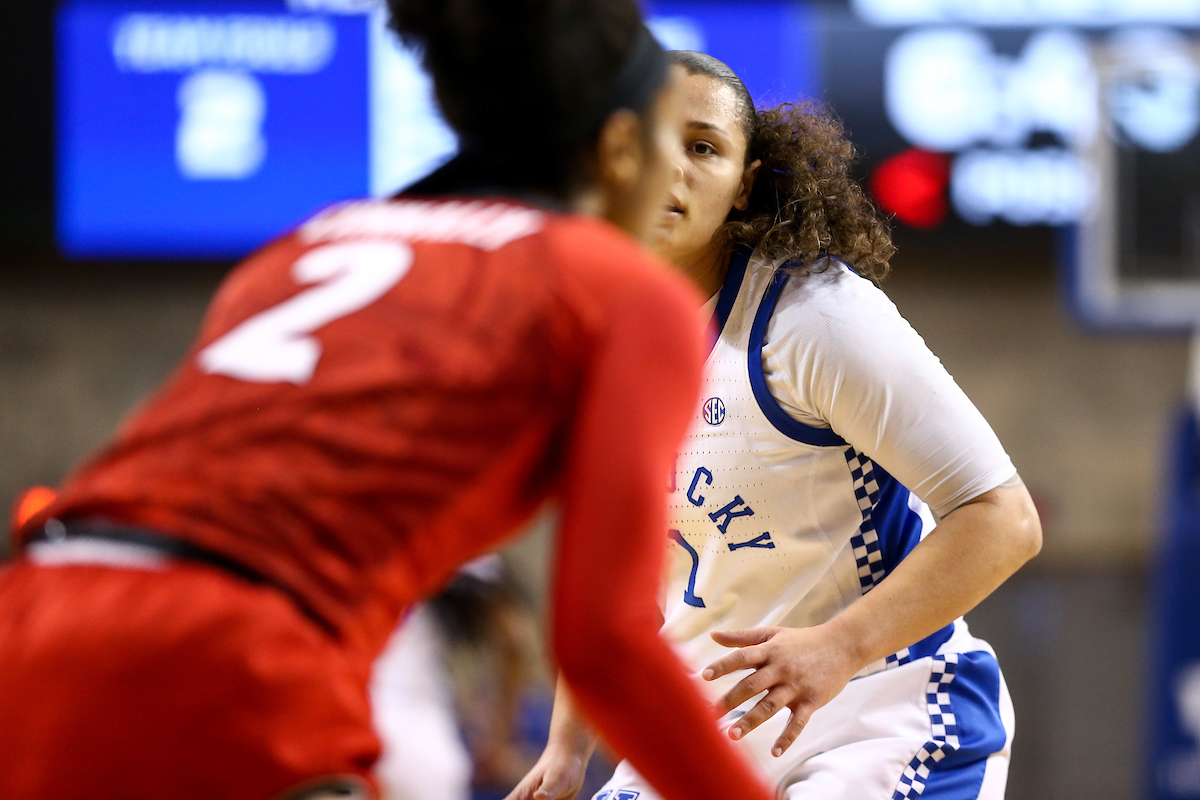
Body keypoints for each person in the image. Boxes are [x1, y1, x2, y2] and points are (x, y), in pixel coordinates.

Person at [0, 9, 782, 799]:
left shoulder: (312, 243)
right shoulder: (619, 289)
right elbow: (604, 644)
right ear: (620, 148)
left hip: (30, 618)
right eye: (666, 139)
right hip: (225, 659)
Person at [507, 51, 1043, 800]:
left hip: (880, 705)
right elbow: (614, 585)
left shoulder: (812, 317)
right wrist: (567, 749)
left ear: (743, 184)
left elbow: (1004, 520)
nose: (673, 167)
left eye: (703, 147)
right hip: (706, 720)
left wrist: (837, 647)